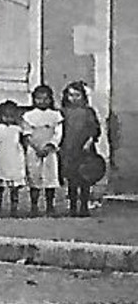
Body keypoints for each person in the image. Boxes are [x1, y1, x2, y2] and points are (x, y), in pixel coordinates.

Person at [60, 81, 103, 217]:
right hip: (68, 148)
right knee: (71, 179)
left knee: (85, 178)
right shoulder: (63, 112)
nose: (73, 98)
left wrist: (89, 141)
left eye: (77, 95)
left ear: (83, 96)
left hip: (84, 149)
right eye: (70, 95)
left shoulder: (88, 112)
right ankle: (73, 206)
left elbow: (95, 129)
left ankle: (84, 206)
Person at [21, 83, 62, 216]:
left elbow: (58, 133)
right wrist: (35, 147)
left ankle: (50, 205)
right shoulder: (29, 116)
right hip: (34, 150)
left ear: (51, 99)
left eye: (46, 98)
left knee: (50, 177)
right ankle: (34, 206)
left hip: (49, 151)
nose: (42, 101)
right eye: (39, 98)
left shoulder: (55, 115)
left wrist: (50, 146)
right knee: (34, 176)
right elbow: (26, 133)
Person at [0, 100, 26, 216]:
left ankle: (14, 207)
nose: (8, 119)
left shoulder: (18, 129)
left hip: (14, 158)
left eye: (11, 116)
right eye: (6, 116)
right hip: (1, 158)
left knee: (14, 186)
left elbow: (22, 143)